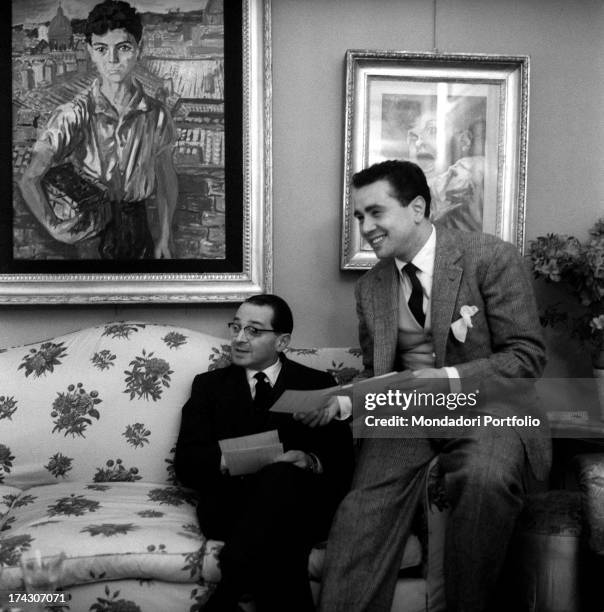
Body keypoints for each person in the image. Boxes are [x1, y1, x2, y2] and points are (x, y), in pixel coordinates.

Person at [315, 160, 550, 612]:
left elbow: (526, 357)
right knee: (359, 514)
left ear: (418, 207)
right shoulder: (370, 288)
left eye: (375, 212)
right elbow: (375, 369)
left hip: (491, 408)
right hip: (407, 416)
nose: (365, 226)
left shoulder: (490, 256)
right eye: (359, 217)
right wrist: (345, 403)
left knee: (485, 479)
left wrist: (446, 379)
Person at [175, 294, 354, 612]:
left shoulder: (317, 384)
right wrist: (241, 458)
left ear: (282, 341)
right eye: (236, 327)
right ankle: (233, 586)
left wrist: (308, 461)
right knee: (284, 539)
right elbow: (187, 464)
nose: (239, 339)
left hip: (302, 504)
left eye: (254, 331)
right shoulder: (208, 386)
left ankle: (231, 582)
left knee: (283, 478)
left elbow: (342, 465)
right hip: (231, 506)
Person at [19, 0, 178, 259]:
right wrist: (53, 227)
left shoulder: (157, 115)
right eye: (102, 49)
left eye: (123, 47)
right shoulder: (73, 114)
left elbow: (166, 180)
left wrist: (165, 236)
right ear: (90, 51)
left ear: (140, 49)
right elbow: (29, 179)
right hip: (90, 232)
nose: (112, 60)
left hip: (139, 230)